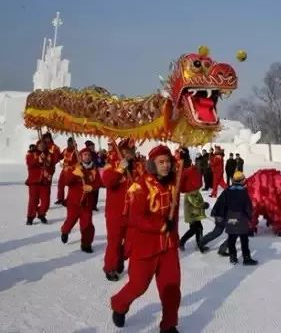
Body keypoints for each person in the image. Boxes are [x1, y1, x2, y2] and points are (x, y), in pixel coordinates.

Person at [110, 144, 201, 332]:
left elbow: (194, 183)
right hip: (145, 247)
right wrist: (159, 225)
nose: (166, 165)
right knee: (138, 285)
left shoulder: (174, 182)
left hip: (168, 246)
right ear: (152, 164)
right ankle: (119, 305)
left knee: (171, 288)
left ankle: (168, 325)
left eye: (168, 161)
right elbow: (137, 218)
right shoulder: (140, 185)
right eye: (161, 162)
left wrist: (189, 163)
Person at [101, 139, 143, 281]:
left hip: (133, 213)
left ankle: (120, 258)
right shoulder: (111, 164)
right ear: (121, 151)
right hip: (115, 213)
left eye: (132, 149)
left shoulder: (138, 166)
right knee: (114, 242)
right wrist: (119, 170)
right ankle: (110, 268)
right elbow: (107, 181)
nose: (131, 152)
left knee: (131, 242)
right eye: (127, 150)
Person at [61, 147, 102, 252]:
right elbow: (66, 181)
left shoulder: (94, 170)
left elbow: (99, 183)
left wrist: (92, 187)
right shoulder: (74, 168)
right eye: (85, 155)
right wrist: (74, 174)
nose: (87, 157)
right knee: (70, 221)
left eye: (88, 155)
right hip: (74, 202)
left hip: (87, 203)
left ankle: (86, 244)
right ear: (81, 156)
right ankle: (65, 231)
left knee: (87, 224)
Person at [213, 171, 258, 266]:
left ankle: (233, 258)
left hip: (230, 218)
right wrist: (250, 217)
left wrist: (219, 215)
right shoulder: (243, 192)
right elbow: (248, 207)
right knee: (244, 240)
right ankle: (246, 258)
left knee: (232, 239)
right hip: (241, 218)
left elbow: (220, 204)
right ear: (242, 181)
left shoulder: (227, 191)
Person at [179, 175, 210, 252]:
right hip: (191, 215)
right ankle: (182, 242)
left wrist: (203, 204)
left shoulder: (196, 191)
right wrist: (203, 205)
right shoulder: (190, 193)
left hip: (196, 214)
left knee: (199, 229)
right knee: (194, 230)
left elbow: (199, 201)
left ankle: (199, 243)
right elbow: (195, 203)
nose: (198, 187)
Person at [25, 141, 53, 224]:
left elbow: (51, 166)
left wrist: (49, 172)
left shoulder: (49, 154)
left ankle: (41, 214)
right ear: (37, 145)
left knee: (46, 202)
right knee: (33, 201)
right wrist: (39, 159)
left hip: (45, 182)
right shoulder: (31, 154)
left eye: (44, 144)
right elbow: (30, 164)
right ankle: (30, 217)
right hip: (34, 181)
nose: (42, 146)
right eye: (40, 145)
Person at [55, 137, 77, 206]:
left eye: (71, 143)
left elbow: (78, 163)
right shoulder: (65, 150)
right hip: (64, 170)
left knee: (71, 185)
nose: (69, 144)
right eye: (68, 142)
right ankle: (60, 198)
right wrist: (56, 153)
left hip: (71, 171)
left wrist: (71, 167)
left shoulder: (75, 152)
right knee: (60, 184)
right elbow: (60, 156)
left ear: (73, 143)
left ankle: (68, 199)